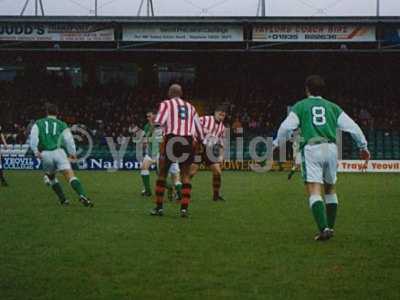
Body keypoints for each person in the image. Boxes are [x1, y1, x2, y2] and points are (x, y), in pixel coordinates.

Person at [275, 75, 370, 241]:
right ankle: (330, 227)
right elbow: (353, 127)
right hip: (332, 148)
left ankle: (324, 228)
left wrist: (277, 143)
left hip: (312, 147)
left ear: (307, 89)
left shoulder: (301, 106)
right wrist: (363, 147)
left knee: (313, 188)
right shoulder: (333, 107)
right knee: (330, 188)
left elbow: (285, 127)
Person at [150, 84, 205, 217]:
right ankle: (184, 209)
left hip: (171, 140)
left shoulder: (166, 104)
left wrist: (157, 131)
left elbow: (159, 122)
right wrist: (201, 142)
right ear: (181, 94)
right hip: (186, 142)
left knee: (162, 173)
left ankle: (159, 208)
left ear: (170, 93)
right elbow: (199, 130)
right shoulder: (191, 107)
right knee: (185, 175)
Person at [29, 103, 93, 207]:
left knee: (52, 177)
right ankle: (82, 195)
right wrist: (72, 153)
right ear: (57, 113)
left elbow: (33, 138)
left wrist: (36, 151)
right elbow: (69, 140)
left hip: (45, 153)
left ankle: (63, 200)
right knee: (69, 175)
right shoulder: (62, 124)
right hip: (59, 152)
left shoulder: (38, 123)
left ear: (46, 112)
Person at [140, 111, 182, 200]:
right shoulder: (147, 126)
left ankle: (173, 189)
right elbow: (145, 139)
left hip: (162, 153)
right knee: (144, 167)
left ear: (156, 116)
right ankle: (147, 191)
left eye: (150, 116)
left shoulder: (165, 125)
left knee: (162, 176)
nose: (148, 118)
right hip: (152, 153)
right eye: (147, 117)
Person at [190, 105, 226, 201]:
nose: (221, 117)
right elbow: (193, 125)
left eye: (223, 115)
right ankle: (179, 190)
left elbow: (222, 143)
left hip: (209, 151)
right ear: (215, 113)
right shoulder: (205, 119)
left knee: (217, 172)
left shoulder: (222, 128)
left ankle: (216, 195)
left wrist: (221, 156)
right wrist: (194, 141)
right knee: (192, 172)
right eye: (220, 114)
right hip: (198, 149)